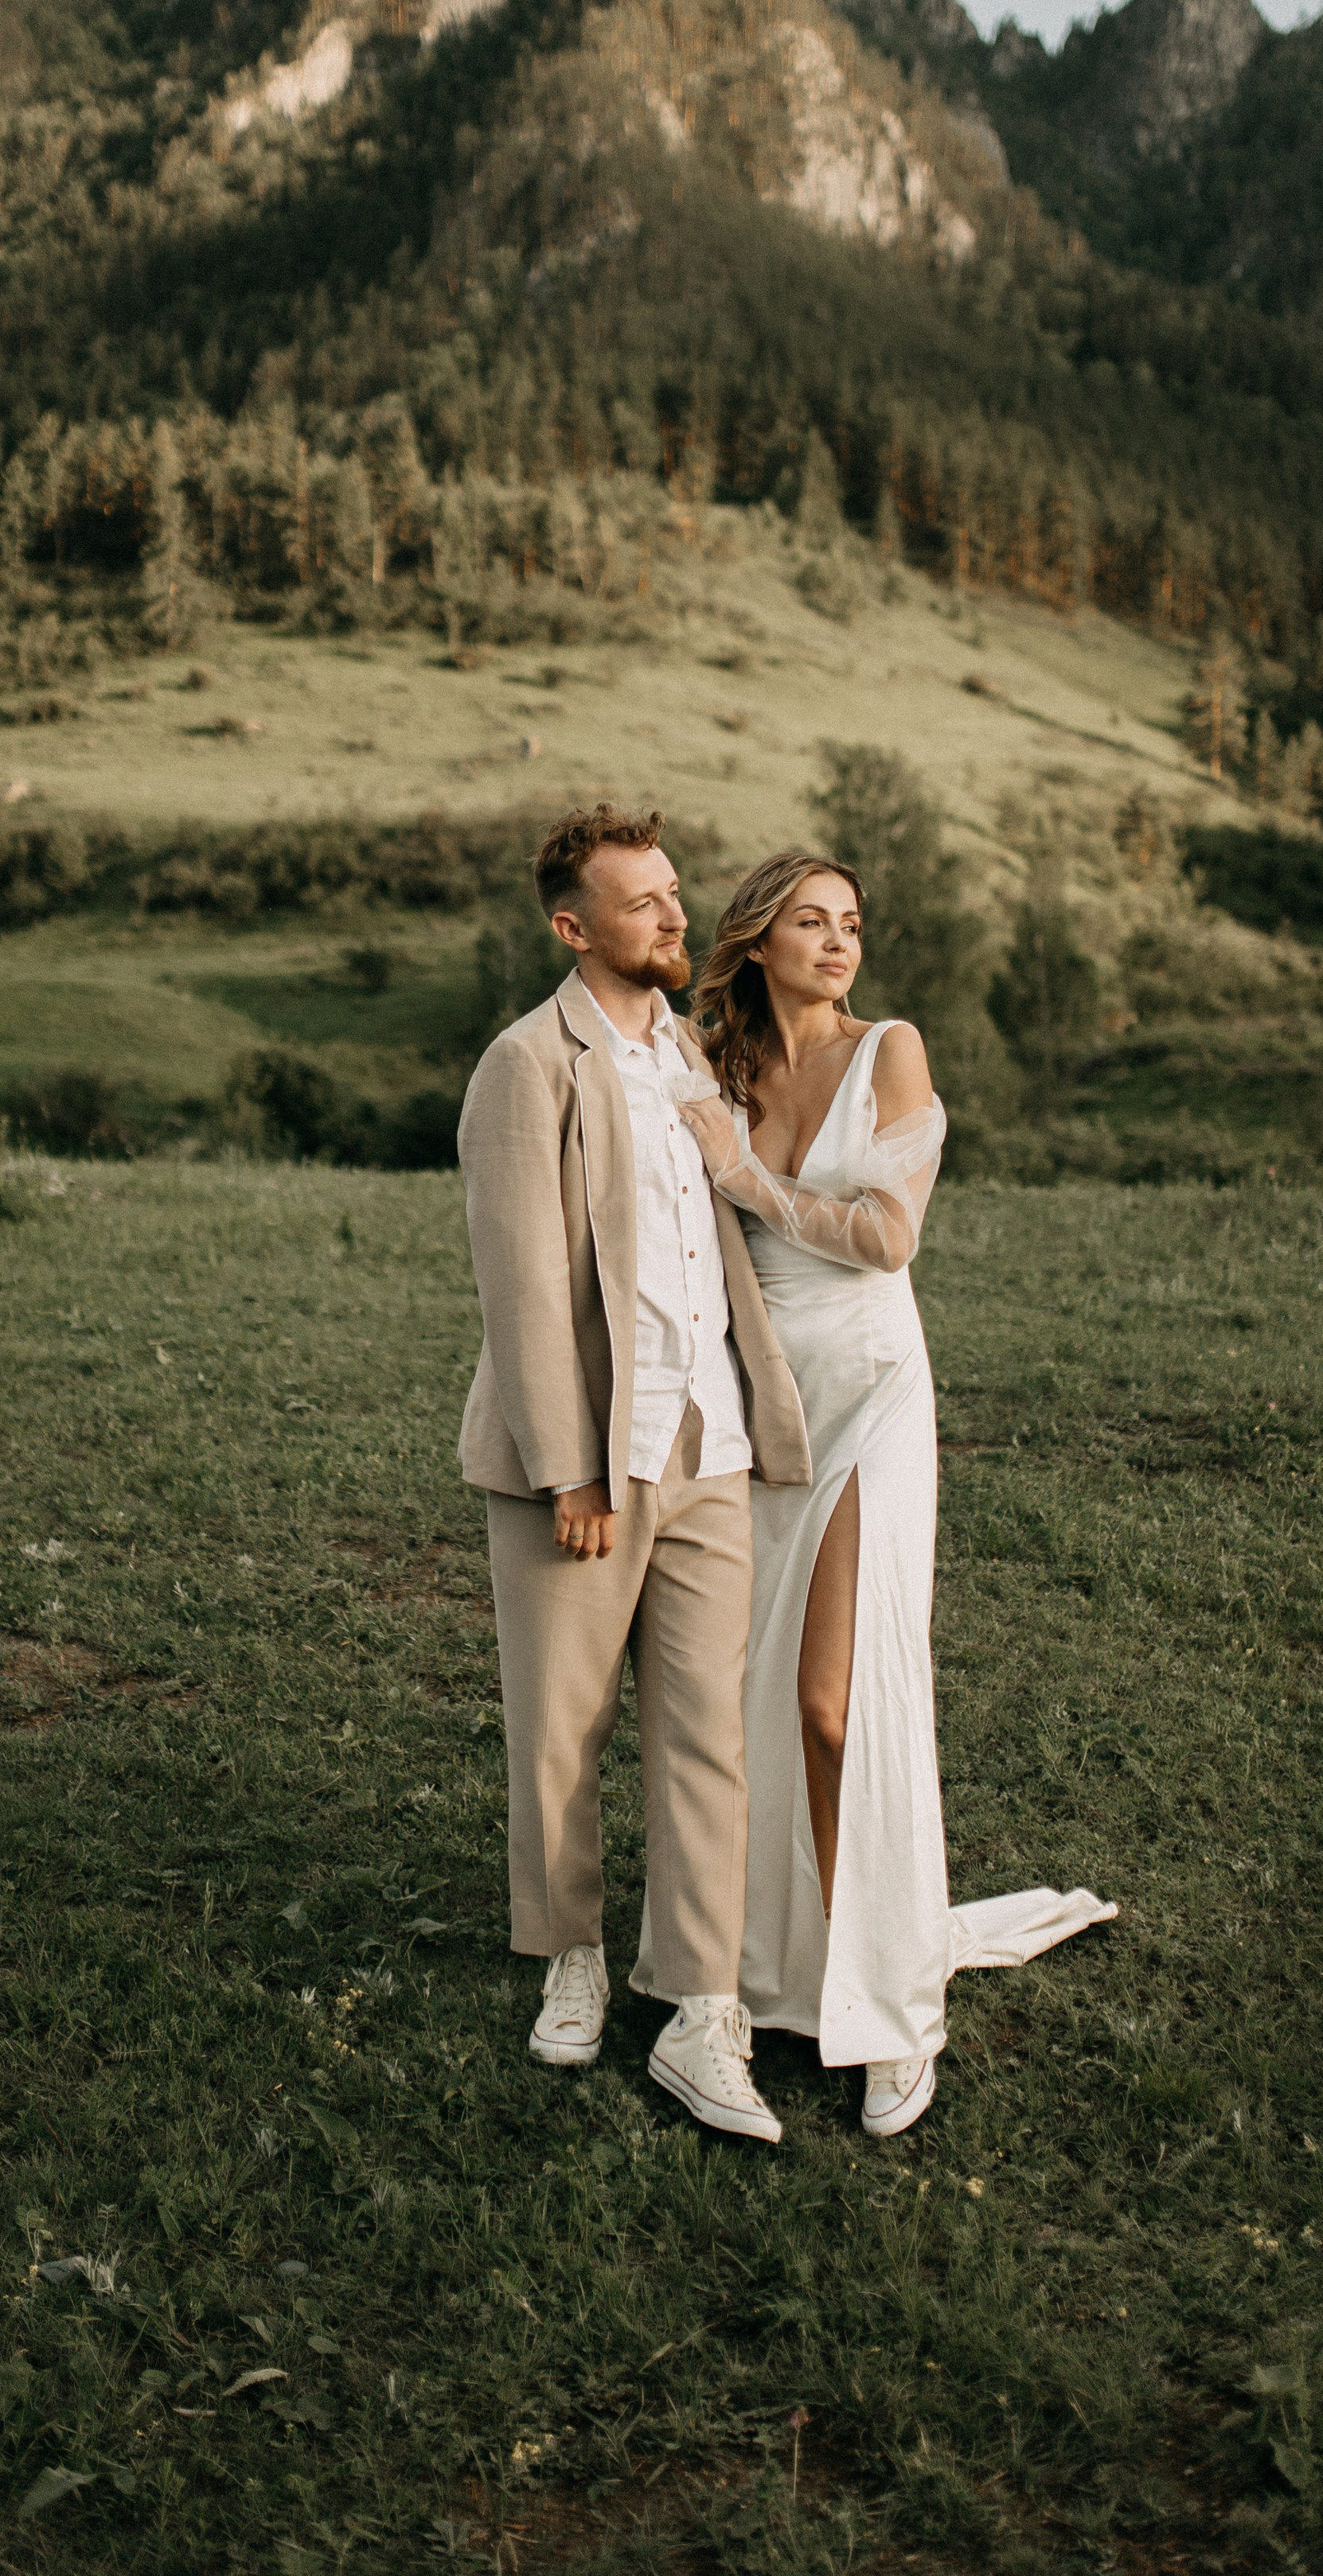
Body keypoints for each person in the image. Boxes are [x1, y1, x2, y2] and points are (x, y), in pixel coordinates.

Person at [662, 849, 1115, 2139]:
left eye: (852, 923)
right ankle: (778, 1974)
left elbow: (885, 1237)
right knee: (749, 1697)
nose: (839, 942)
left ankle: (900, 2005)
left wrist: (744, 1176)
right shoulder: (721, 1065)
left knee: (836, 1698)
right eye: (812, 922)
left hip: (869, 1389)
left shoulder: (891, 1050)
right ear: (758, 939)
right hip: (762, 1404)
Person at [455, 804, 813, 2142]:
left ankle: (702, 2006)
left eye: (676, 893)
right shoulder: (524, 1066)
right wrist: (567, 1471)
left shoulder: (695, 1057)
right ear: (573, 928)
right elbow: (524, 1286)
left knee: (707, 1735)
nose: (677, 917)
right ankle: (575, 1952)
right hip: (587, 1458)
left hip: (710, 1442)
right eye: (644, 903)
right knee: (562, 1727)